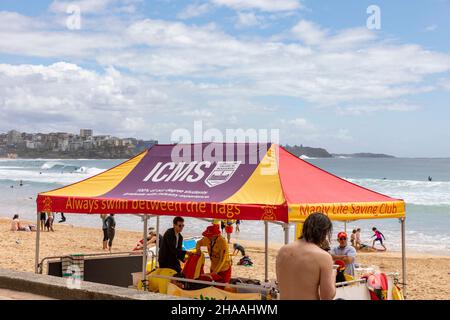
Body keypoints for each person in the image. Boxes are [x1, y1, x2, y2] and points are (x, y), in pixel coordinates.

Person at [276, 212, 335, 300]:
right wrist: (333, 276)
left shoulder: (283, 250)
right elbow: (327, 296)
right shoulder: (323, 257)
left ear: (305, 228)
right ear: (324, 232)